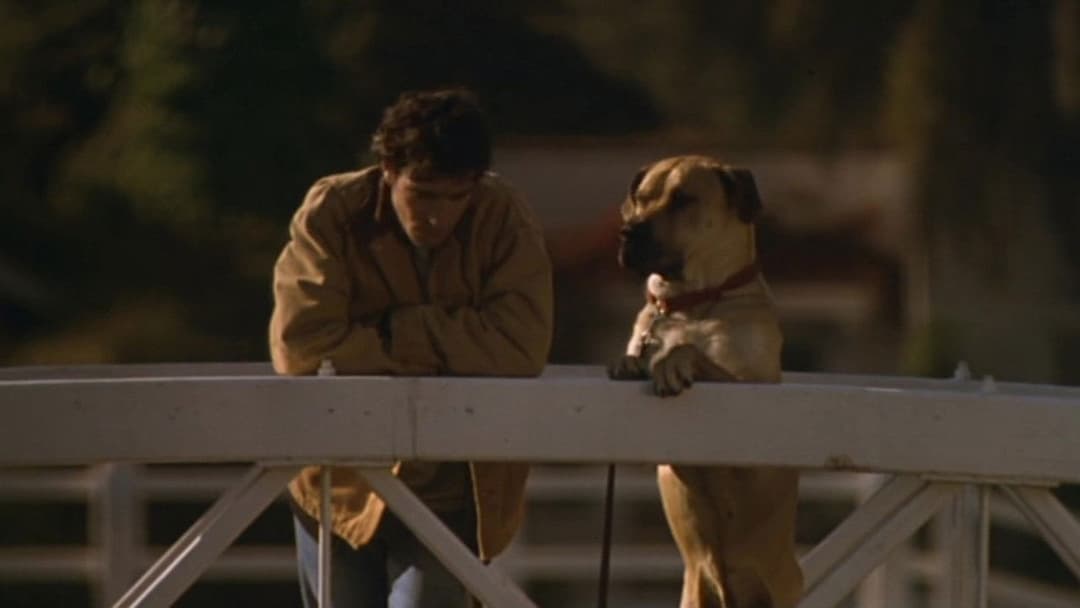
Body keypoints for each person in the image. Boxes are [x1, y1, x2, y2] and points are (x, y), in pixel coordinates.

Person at [269, 87, 554, 607]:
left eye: (456, 197)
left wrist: (391, 333)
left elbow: (521, 346)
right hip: (340, 482)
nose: (438, 215)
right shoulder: (334, 211)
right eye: (422, 193)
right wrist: (457, 342)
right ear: (388, 170)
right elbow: (302, 346)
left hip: (452, 488)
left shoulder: (502, 217)